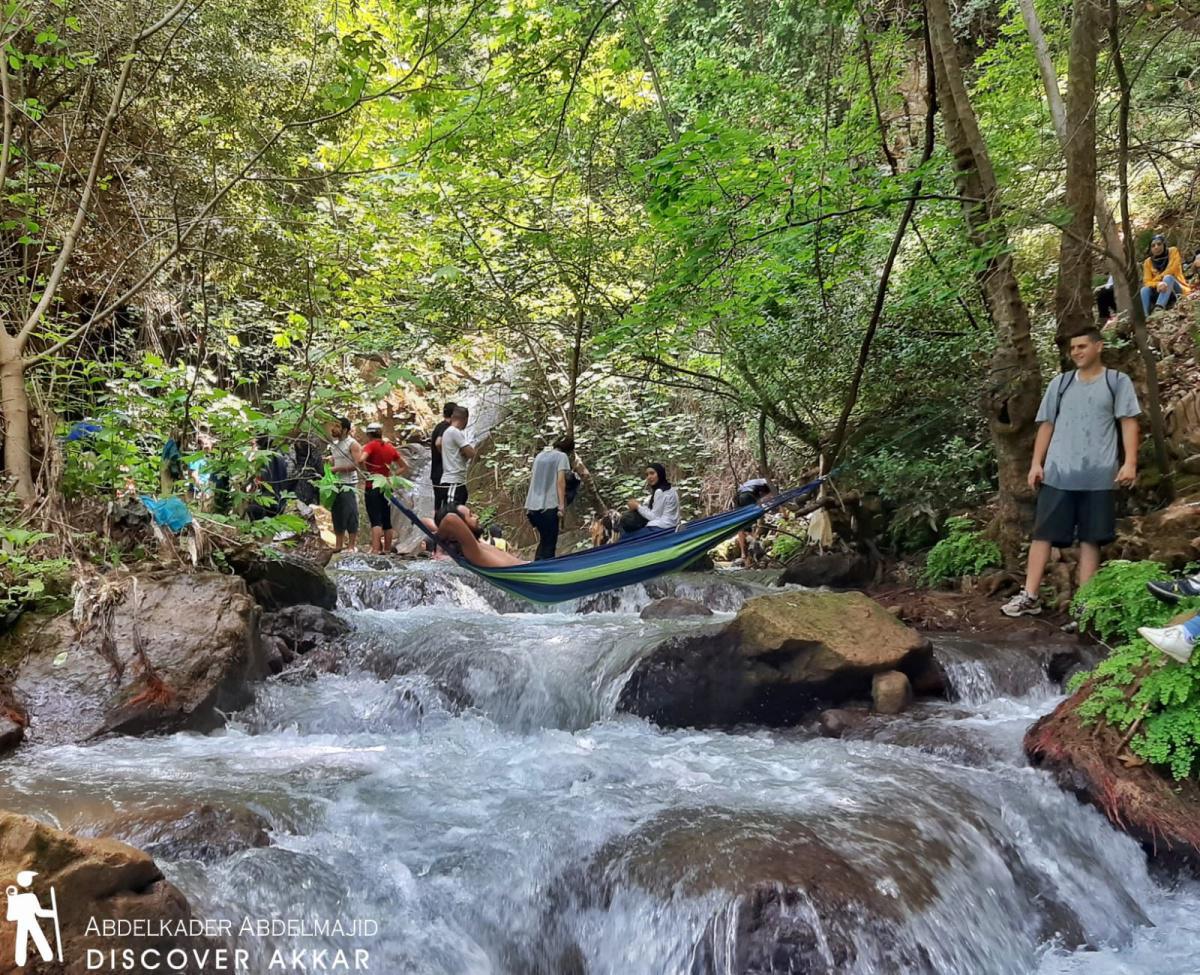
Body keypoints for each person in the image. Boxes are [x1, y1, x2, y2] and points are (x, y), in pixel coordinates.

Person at [1001, 326, 1141, 617]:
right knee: (1043, 534)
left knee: (1091, 538)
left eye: (1082, 346)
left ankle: (1083, 605)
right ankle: (1030, 596)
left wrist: (1130, 463)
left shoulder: (1116, 382)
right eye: (1073, 348)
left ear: (1098, 347)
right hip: (1058, 471)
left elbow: (1129, 422)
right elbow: (1046, 424)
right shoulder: (1061, 384)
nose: (1076, 352)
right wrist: (1036, 463)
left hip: (1099, 474)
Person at [361, 422, 408, 553]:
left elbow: (360, 459)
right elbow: (404, 466)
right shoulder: (389, 447)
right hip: (386, 486)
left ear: (369, 434)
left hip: (373, 485)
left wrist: (366, 472)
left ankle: (376, 549)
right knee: (387, 520)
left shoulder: (370, 445)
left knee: (375, 519)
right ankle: (387, 549)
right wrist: (391, 476)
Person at [524, 435, 573, 560]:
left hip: (532, 507)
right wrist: (561, 506)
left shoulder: (539, 456)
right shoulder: (562, 457)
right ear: (569, 450)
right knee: (550, 542)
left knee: (545, 539)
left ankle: (537, 567)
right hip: (549, 506)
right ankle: (546, 570)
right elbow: (560, 481)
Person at [435, 505, 527, 568]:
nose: (477, 517)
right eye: (471, 515)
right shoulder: (473, 551)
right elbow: (450, 519)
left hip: (531, 569)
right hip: (529, 575)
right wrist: (438, 544)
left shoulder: (480, 544)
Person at [327, 417, 362, 552]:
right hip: (335, 484)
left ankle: (352, 545)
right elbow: (337, 460)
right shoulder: (334, 445)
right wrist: (330, 461)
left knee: (351, 513)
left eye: (337, 426)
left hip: (349, 483)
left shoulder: (352, 444)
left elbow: (356, 464)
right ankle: (338, 545)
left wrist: (337, 469)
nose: (333, 429)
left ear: (345, 430)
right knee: (337, 514)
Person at [620, 463, 681, 540]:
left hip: (661, 528)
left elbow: (654, 517)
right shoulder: (671, 489)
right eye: (647, 474)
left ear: (660, 474)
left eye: (652, 473)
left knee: (624, 538)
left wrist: (637, 506)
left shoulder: (659, 491)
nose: (649, 477)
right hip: (672, 525)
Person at [1140, 234, 1190, 317]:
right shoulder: (1147, 262)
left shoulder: (1173, 251)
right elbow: (1146, 282)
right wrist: (1158, 284)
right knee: (1144, 289)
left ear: (1164, 245)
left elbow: (1171, 270)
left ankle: (1159, 308)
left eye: (1159, 244)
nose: (1156, 247)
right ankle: (1145, 316)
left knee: (1168, 278)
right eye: (1153, 246)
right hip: (1160, 290)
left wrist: (1158, 281)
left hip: (1177, 288)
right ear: (1150, 249)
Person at [436, 405, 475, 508]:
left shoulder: (448, 432)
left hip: (456, 481)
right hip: (453, 481)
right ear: (465, 419)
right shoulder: (454, 432)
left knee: (454, 515)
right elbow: (471, 453)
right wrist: (466, 450)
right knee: (451, 515)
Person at [246, 435, 290, 521]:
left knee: (253, 509)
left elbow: (265, 480)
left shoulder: (266, 458)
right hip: (280, 497)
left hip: (270, 498)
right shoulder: (280, 455)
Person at [734, 478, 773, 566]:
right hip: (748, 496)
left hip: (738, 497)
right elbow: (769, 498)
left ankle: (743, 554)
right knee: (752, 523)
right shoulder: (767, 484)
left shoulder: (755, 482)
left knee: (741, 525)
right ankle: (753, 542)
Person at [429, 402, 457, 513]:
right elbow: (438, 443)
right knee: (446, 504)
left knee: (438, 503)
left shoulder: (439, 426)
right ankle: (443, 528)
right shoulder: (446, 427)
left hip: (436, 472)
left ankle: (436, 528)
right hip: (443, 473)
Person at [292, 432, 324, 511]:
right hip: (311, 482)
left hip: (297, 480)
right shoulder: (313, 440)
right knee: (311, 512)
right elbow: (321, 470)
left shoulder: (297, 440)